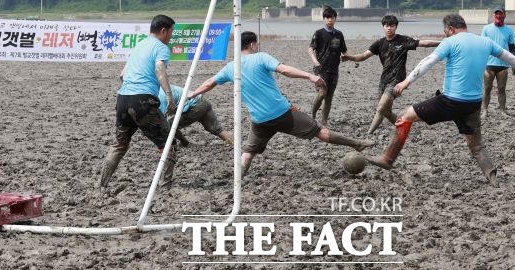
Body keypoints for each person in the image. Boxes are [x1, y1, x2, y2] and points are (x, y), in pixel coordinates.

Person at [367, 14, 515, 186]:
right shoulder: (484, 42)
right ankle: (491, 176)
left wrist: (406, 81)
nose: (445, 35)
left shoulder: (450, 41)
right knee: (476, 145)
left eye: (445, 32)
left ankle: (388, 159)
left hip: (450, 101)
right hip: (473, 104)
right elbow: (509, 57)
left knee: (404, 116)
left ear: (450, 29)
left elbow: (427, 62)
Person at [188, 31, 376, 176]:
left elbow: (209, 82)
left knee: (247, 153)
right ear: (252, 44)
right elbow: (284, 70)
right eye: (257, 44)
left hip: (260, 120)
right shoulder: (260, 56)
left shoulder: (230, 67)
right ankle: (356, 143)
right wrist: (310, 75)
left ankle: (238, 179)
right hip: (282, 113)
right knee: (320, 132)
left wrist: (193, 93)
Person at [99, 14, 178, 191]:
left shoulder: (140, 45)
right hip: (142, 100)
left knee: (120, 144)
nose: (171, 36)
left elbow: (122, 74)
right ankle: (165, 185)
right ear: (163, 30)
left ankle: (102, 184)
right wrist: (169, 96)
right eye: (171, 32)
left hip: (123, 98)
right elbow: (159, 69)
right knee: (168, 143)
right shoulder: (161, 47)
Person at [341, 15, 440, 134]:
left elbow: (424, 43)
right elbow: (363, 56)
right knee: (386, 111)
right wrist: (349, 57)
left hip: (397, 80)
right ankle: (403, 125)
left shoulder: (403, 40)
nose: (389, 28)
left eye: (392, 25)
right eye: (386, 25)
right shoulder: (379, 43)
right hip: (384, 80)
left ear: (396, 27)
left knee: (381, 108)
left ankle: (369, 133)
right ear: (383, 27)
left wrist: (443, 42)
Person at [308, 6, 347, 125]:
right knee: (322, 93)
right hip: (320, 69)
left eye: (332, 18)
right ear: (324, 19)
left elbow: (344, 51)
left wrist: (352, 58)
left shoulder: (339, 34)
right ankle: (313, 115)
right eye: (328, 18)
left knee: (329, 97)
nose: (330, 20)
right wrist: (315, 62)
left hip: (334, 70)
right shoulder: (319, 33)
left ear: (335, 19)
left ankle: (324, 121)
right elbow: (310, 49)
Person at [158, 84, 233, 147]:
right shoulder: (163, 87)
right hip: (202, 101)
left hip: (194, 107)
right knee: (216, 129)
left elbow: (164, 117)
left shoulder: (160, 96)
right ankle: (235, 144)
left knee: (169, 125)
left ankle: (185, 143)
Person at [481, 6, 515, 117]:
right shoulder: (486, 29)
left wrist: (514, 64)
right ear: (493, 15)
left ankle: (502, 110)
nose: (498, 16)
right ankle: (485, 111)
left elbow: (512, 48)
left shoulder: (509, 30)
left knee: (502, 89)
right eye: (496, 14)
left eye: (501, 14)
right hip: (488, 64)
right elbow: (482, 46)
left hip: (503, 65)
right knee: (487, 88)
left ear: (504, 15)